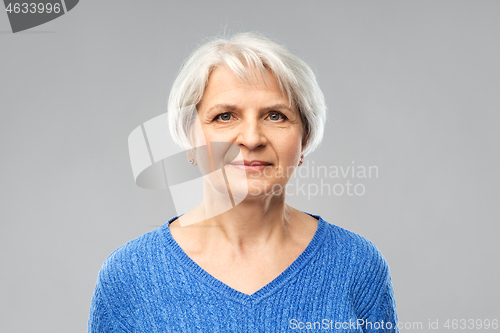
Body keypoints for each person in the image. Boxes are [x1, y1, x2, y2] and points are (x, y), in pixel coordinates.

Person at [87, 32, 398, 332]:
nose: (251, 138)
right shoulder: (128, 276)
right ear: (189, 139)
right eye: (225, 116)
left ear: (304, 139)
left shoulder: (358, 266)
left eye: (275, 116)